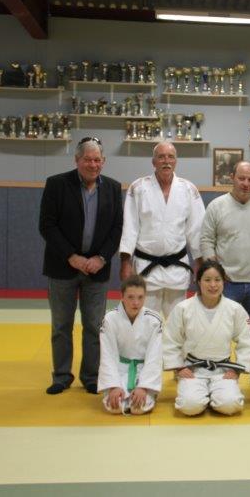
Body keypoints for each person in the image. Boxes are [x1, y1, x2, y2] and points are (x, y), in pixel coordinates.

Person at [39, 136, 123, 395]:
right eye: (88, 159)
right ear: (77, 160)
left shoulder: (113, 188)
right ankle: (61, 376)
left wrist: (102, 258)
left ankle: (91, 376)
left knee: (95, 326)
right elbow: (47, 225)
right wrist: (71, 256)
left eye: (97, 160)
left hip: (97, 269)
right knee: (61, 325)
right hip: (62, 266)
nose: (93, 164)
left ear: (103, 161)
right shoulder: (57, 184)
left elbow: (117, 228)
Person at [119, 141, 205, 319]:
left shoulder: (188, 189)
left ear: (176, 161)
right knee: (146, 324)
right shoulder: (138, 188)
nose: (166, 161)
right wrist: (125, 262)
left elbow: (196, 229)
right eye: (161, 157)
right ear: (153, 161)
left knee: (178, 325)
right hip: (146, 268)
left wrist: (200, 262)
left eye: (171, 157)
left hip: (177, 269)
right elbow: (130, 227)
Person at [162, 260, 250, 416]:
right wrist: (179, 367)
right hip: (193, 369)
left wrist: (237, 369)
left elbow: (246, 341)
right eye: (207, 280)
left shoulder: (235, 309)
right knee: (189, 406)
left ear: (224, 282)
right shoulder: (184, 308)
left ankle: (213, 396)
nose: (213, 285)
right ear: (199, 282)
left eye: (217, 280)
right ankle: (203, 396)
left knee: (230, 405)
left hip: (222, 370)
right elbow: (170, 339)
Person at [201, 160, 250, 321]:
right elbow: (206, 241)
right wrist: (217, 273)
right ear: (232, 177)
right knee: (223, 327)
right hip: (226, 282)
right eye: (241, 178)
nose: (246, 183)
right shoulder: (216, 206)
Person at [98, 275, 162, 415]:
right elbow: (107, 355)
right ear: (122, 296)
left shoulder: (154, 320)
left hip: (143, 370)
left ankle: (150, 392)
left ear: (145, 297)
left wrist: (144, 386)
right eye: (130, 297)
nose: (136, 302)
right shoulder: (110, 319)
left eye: (140, 297)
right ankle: (118, 390)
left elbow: (154, 357)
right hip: (119, 370)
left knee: (138, 408)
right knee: (115, 407)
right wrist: (114, 385)